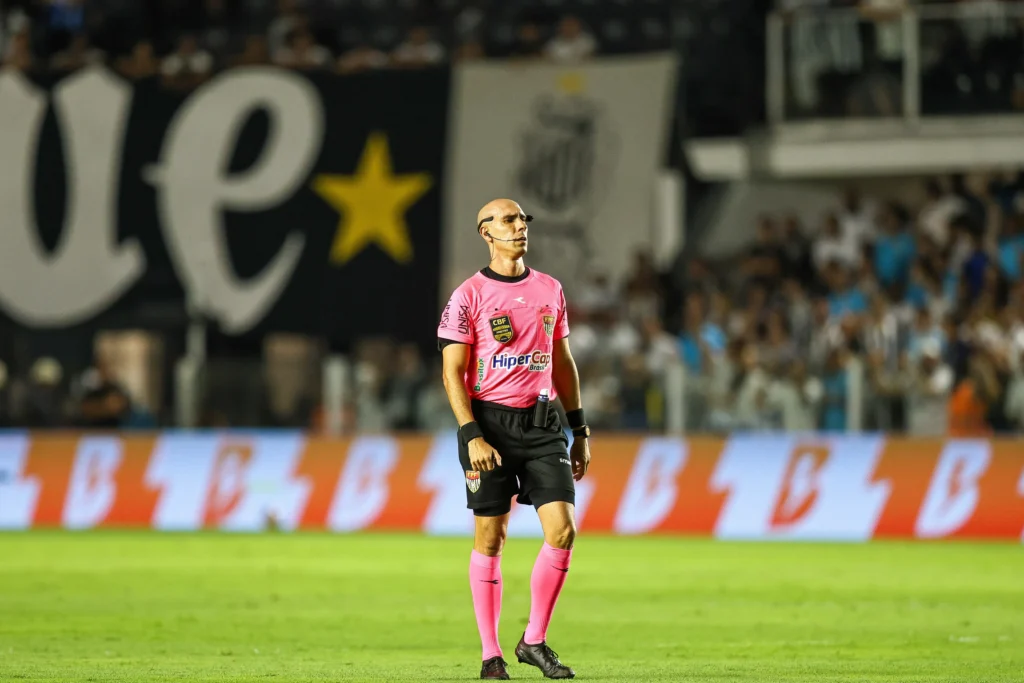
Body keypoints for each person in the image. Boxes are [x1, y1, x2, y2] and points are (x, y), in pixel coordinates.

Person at [437, 199, 591, 680]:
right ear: (485, 232)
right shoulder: (468, 296)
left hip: (544, 425)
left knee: (563, 530)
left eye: (523, 219)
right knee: (491, 535)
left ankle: (534, 641)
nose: (519, 226)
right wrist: (471, 434)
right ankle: (490, 655)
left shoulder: (550, 289)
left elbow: (562, 362)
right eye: (508, 220)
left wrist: (579, 428)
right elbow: (452, 373)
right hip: (490, 425)